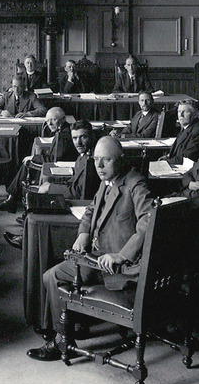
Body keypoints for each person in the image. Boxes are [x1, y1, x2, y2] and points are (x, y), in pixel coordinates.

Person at [29, 136, 153, 361]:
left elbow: (148, 223)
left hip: (118, 267)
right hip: (97, 257)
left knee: (53, 277)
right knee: (51, 275)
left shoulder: (135, 183)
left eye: (106, 160)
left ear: (121, 159)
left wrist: (122, 255)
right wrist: (84, 233)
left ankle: (62, 341)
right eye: (96, 160)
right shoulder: (107, 180)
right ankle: (67, 330)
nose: (99, 166)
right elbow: (90, 210)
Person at [3, 120, 100, 250]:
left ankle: (26, 239)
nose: (78, 142)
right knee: (36, 197)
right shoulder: (83, 156)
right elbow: (74, 182)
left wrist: (51, 187)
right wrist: (54, 184)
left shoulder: (91, 160)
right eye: (75, 138)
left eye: (83, 137)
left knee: (42, 199)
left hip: (81, 204)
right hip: (75, 197)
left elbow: (79, 192)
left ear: (91, 136)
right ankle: (26, 234)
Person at [0, 108, 75, 213]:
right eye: (47, 121)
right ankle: (12, 199)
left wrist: (34, 157)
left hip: (57, 170)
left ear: (63, 119)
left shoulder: (63, 135)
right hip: (56, 166)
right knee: (26, 164)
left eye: (53, 120)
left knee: (27, 163)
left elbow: (54, 159)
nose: (49, 123)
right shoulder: (63, 130)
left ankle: (12, 199)